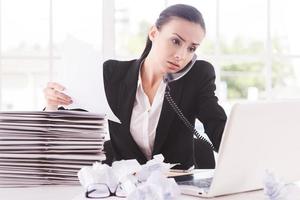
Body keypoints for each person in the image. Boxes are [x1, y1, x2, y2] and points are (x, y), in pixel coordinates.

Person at [44, 4, 227, 170]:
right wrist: (52, 104)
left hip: (179, 189)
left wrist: (246, 152)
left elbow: (217, 126)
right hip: (125, 188)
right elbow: (64, 131)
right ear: (154, 33)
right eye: (175, 41)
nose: (181, 55)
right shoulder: (113, 74)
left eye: (191, 48)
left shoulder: (197, 76)